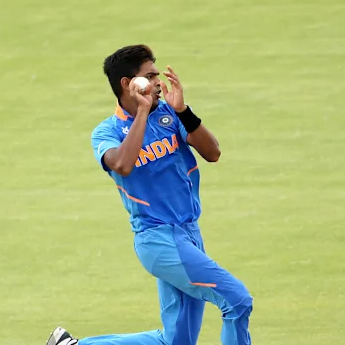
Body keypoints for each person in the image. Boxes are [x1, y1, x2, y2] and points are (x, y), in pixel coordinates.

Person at [46, 45, 253, 345]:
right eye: (150, 76)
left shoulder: (170, 114)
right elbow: (122, 164)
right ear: (128, 85)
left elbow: (213, 152)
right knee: (237, 300)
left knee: (176, 342)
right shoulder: (107, 132)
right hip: (158, 239)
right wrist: (142, 112)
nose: (159, 82)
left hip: (189, 233)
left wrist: (183, 111)